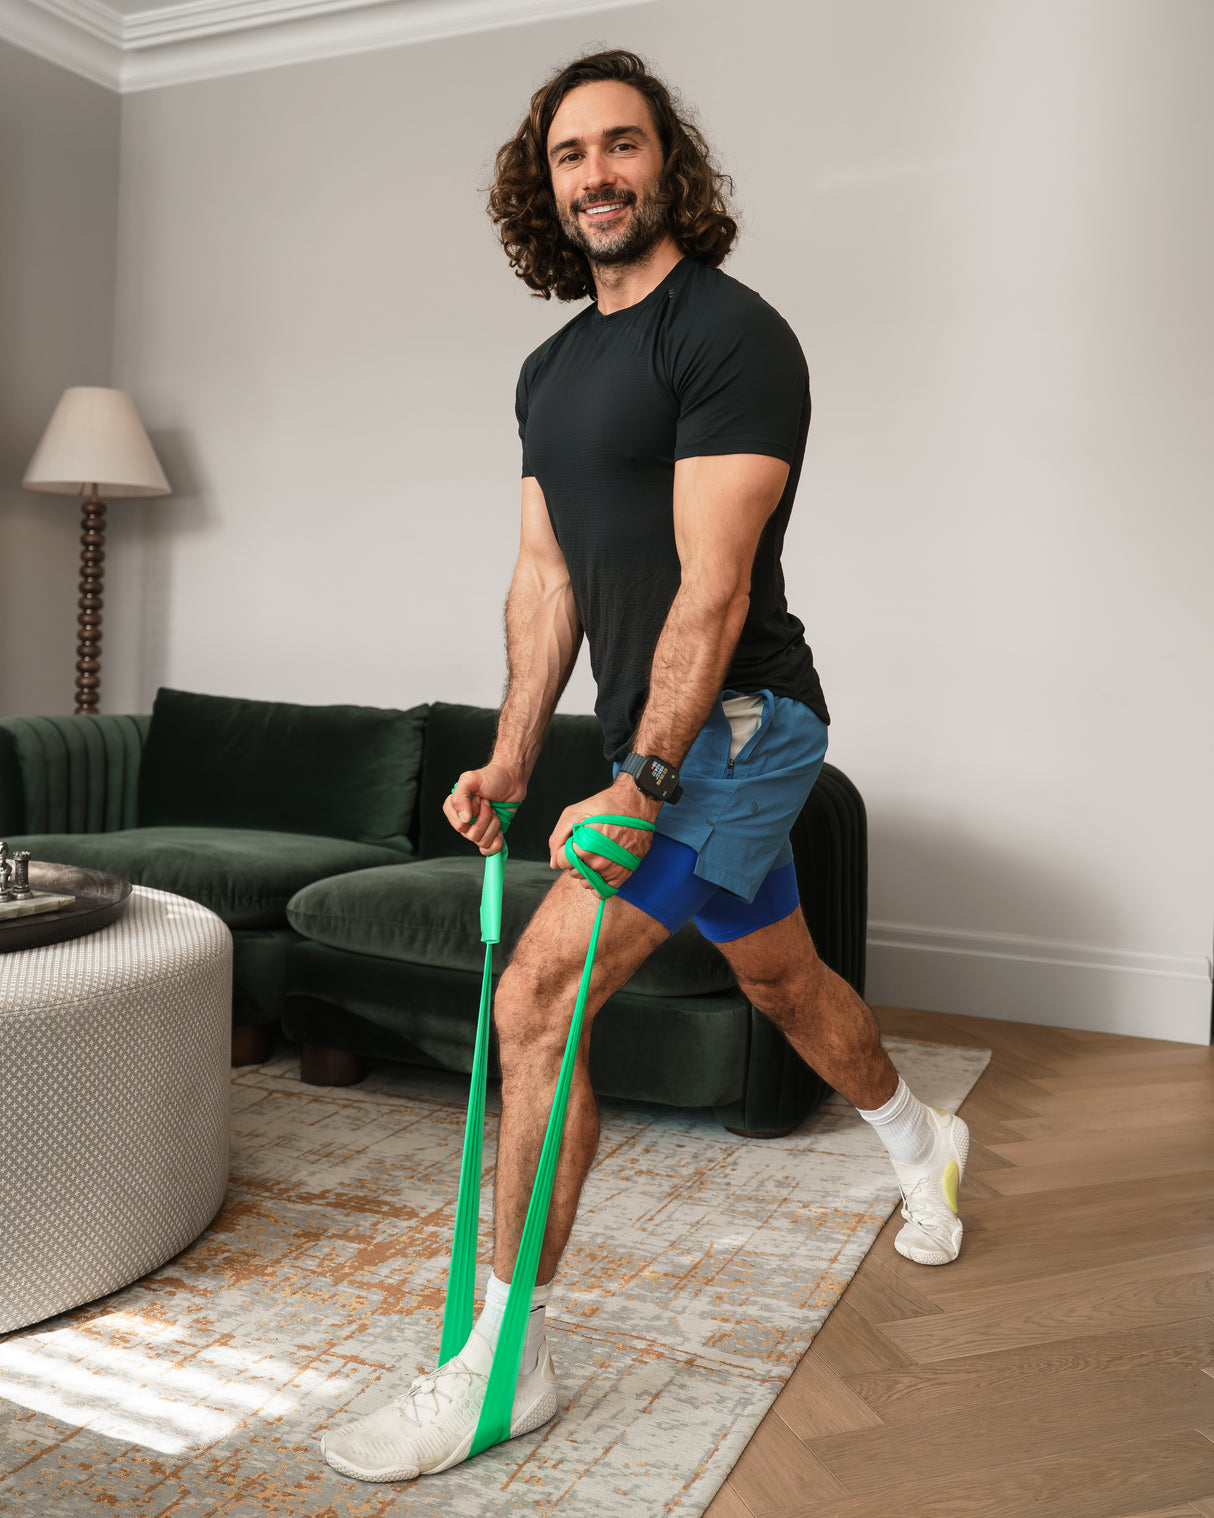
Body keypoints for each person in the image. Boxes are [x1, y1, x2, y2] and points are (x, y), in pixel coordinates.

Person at [321, 48, 969, 1486]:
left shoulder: (730, 334)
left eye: (622, 146)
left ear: (668, 164)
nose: (597, 173)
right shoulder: (550, 368)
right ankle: (922, 1138)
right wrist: (506, 754)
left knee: (538, 992)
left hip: (736, 724)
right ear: (540, 185)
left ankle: (504, 1362)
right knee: (778, 980)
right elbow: (544, 578)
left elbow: (710, 590)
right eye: (570, 154)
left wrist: (646, 778)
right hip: (665, 740)